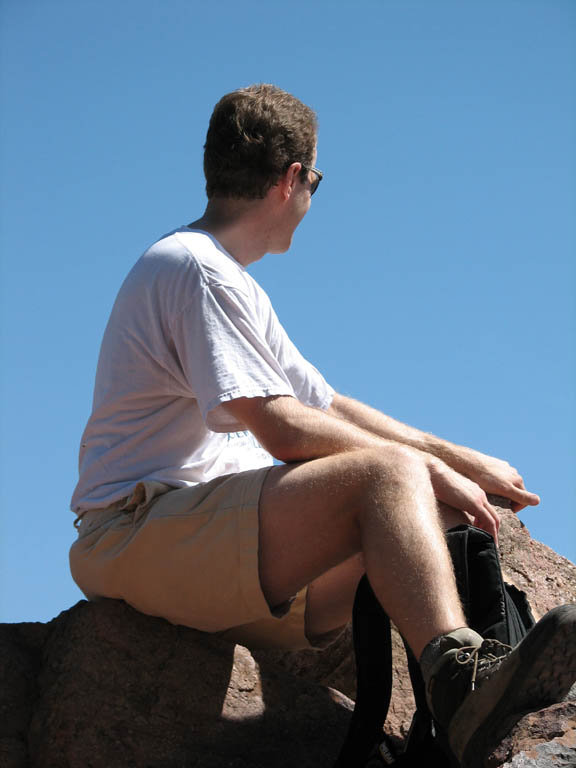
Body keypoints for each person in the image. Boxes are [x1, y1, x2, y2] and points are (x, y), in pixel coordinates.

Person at [70, 84, 576, 768]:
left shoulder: (227, 279)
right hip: (133, 533)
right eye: (315, 180)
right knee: (393, 478)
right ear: (291, 179)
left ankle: (486, 708)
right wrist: (420, 466)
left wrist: (458, 458)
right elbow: (283, 428)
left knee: (435, 510)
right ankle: (459, 686)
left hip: (210, 551)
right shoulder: (196, 271)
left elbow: (326, 405)